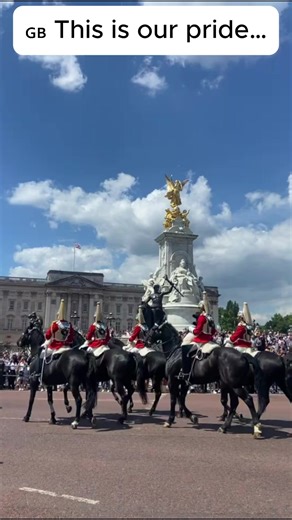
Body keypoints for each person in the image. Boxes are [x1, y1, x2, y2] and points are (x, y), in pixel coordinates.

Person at [180, 292, 216, 380]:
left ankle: (186, 373)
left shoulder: (202, 317)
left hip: (201, 341)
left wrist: (190, 328)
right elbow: (213, 331)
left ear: (201, 308)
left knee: (185, 349)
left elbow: (197, 332)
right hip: (210, 340)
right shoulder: (210, 318)